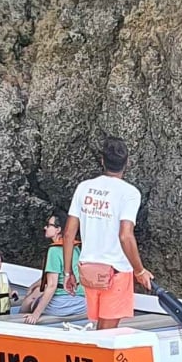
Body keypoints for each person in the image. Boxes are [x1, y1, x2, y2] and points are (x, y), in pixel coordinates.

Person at [62, 137, 152, 330]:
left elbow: (69, 233)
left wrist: (68, 272)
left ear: (102, 160)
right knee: (107, 332)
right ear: (127, 163)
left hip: (87, 269)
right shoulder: (129, 193)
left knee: (100, 327)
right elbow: (125, 235)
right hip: (115, 271)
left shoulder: (84, 187)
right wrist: (140, 271)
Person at [21, 212, 87, 324]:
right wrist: (33, 285)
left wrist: (36, 314)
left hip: (62, 306)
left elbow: (52, 285)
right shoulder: (75, 248)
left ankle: (16, 323)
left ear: (58, 229)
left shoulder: (54, 250)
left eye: (49, 225)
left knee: (30, 299)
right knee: (35, 290)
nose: (45, 227)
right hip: (82, 303)